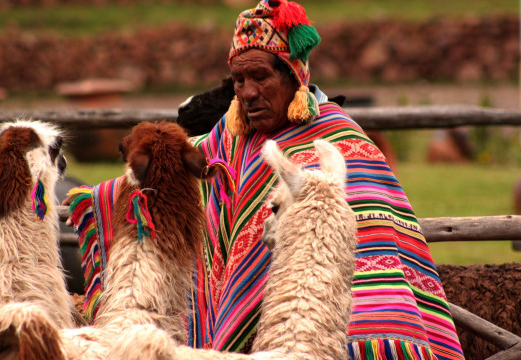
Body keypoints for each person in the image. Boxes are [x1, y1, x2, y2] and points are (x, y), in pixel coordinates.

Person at [66, 1, 465, 359]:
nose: (248, 93)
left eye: (260, 77)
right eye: (239, 81)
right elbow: (187, 159)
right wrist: (101, 197)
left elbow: (370, 247)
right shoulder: (232, 133)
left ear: (295, 75)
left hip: (330, 336)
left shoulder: (342, 145)